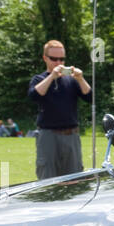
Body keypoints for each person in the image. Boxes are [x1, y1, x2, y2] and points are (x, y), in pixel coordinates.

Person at [28, 39, 91, 179]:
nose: (58, 63)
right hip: (48, 136)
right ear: (45, 58)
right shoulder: (39, 79)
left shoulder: (72, 80)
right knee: (47, 177)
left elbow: (90, 97)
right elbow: (34, 95)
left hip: (71, 136)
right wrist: (52, 77)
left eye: (62, 59)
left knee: (75, 179)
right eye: (54, 59)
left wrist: (80, 79)